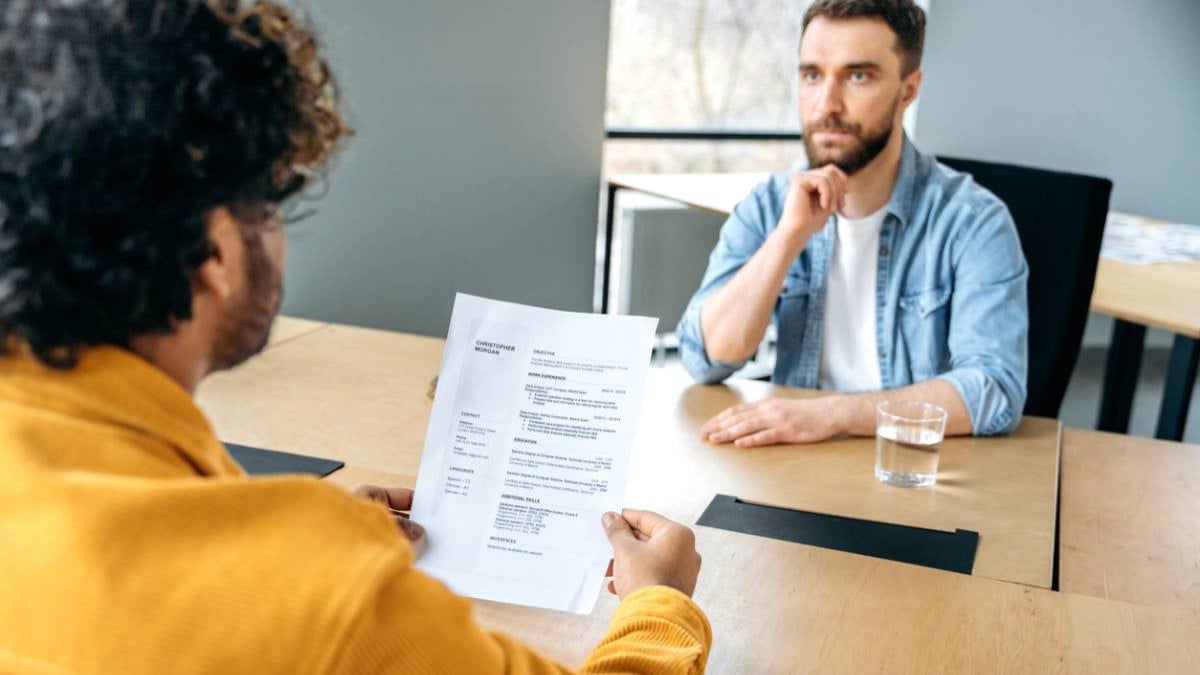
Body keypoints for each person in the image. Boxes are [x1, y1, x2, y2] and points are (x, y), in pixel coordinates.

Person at [0, 1, 709, 672]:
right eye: (273, 204)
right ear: (214, 255)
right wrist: (661, 602)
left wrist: (327, 535)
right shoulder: (314, 593)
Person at [677, 0, 1028, 448]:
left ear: (908, 89)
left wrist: (833, 414)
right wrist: (788, 239)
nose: (827, 104)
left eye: (858, 76)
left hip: (909, 469)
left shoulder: (973, 222)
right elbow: (704, 358)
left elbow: (995, 390)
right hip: (792, 463)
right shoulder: (769, 205)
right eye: (812, 75)